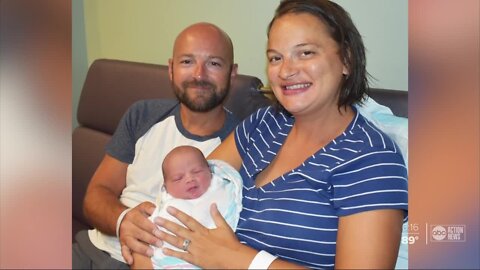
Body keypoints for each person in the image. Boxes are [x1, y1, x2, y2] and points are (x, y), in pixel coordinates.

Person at [147, 0, 408, 269]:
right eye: (275, 57)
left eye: (305, 53)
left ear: (346, 60)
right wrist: (141, 230)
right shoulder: (264, 123)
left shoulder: (371, 161)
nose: (285, 71)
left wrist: (236, 259)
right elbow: (194, 197)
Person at [72, 22, 240, 269]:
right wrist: (123, 221)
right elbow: (96, 195)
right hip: (93, 250)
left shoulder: (243, 142)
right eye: (187, 62)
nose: (199, 75)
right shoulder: (142, 115)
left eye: (214, 63)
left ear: (232, 73)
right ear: (171, 69)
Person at [132, 145, 242, 269]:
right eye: (178, 178)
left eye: (197, 171)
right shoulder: (168, 203)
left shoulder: (221, 188)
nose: (190, 179)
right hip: (170, 260)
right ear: (166, 187)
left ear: (209, 171)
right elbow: (147, 235)